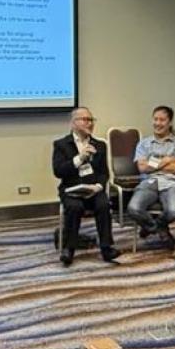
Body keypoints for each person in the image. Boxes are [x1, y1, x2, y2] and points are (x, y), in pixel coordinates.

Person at [52, 106, 119, 266]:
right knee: (74, 207)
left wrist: (99, 186)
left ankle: (106, 248)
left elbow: (104, 173)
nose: (89, 123)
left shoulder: (100, 145)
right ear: (73, 123)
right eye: (85, 120)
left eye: (91, 120)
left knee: (103, 205)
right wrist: (79, 159)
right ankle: (69, 249)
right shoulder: (61, 144)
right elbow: (58, 171)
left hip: (93, 189)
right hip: (71, 190)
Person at [125, 106, 175, 241]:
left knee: (174, 211)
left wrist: (152, 164)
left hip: (171, 183)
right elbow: (142, 168)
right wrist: (166, 161)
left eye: (162, 120)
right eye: (155, 119)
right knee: (133, 208)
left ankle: (154, 226)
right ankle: (160, 228)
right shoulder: (144, 144)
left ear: (170, 122)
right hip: (149, 181)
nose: (158, 123)